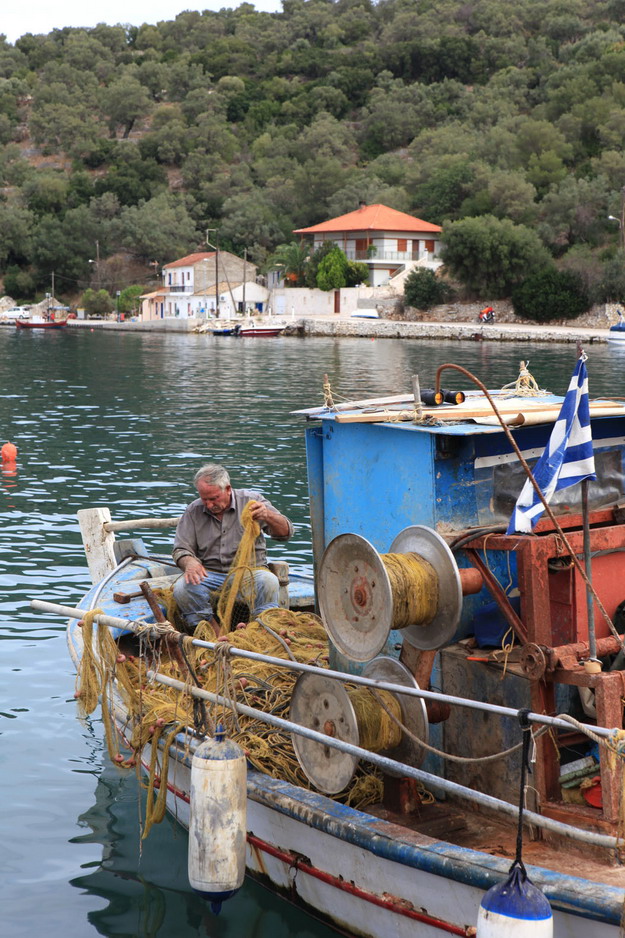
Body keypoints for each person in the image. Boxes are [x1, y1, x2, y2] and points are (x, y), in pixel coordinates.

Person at [172, 463, 293, 631]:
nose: (208, 504)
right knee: (182, 589)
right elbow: (181, 549)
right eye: (204, 499)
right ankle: (213, 631)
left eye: (213, 498)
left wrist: (269, 515)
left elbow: (285, 533)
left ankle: (259, 631)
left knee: (267, 581)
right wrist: (189, 562)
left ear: (228, 489)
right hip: (210, 574)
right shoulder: (193, 511)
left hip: (249, 572)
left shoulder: (252, 502)